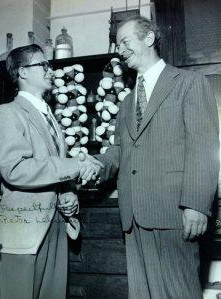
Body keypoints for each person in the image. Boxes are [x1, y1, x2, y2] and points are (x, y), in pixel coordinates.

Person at [89, 15, 220, 298]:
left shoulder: (189, 82)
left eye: (125, 41)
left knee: (179, 292)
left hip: (174, 213)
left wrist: (196, 204)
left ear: (149, 38)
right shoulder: (126, 102)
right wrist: (93, 163)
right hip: (134, 216)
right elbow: (120, 151)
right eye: (117, 44)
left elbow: (203, 146)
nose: (119, 49)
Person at [0, 44, 103, 299]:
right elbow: (15, 170)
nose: (50, 70)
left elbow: (53, 168)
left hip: (55, 227)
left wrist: (68, 193)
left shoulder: (49, 116)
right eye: (43, 64)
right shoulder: (7, 113)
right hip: (23, 232)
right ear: (23, 73)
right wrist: (75, 165)